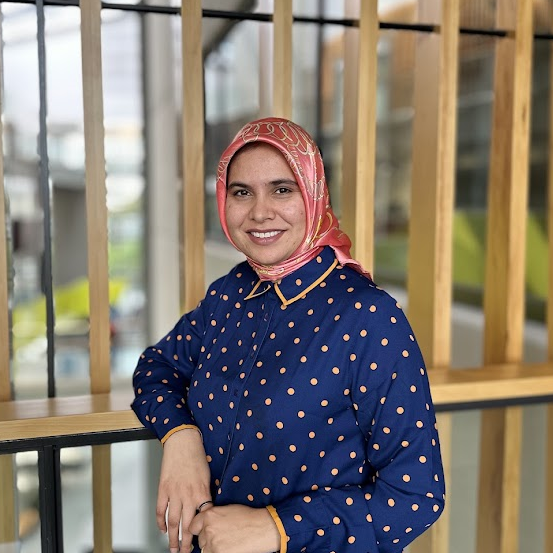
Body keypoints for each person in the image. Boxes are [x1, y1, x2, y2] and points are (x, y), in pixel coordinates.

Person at [132, 117, 445, 553]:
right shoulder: (230, 294)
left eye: (282, 189)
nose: (260, 212)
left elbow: (415, 498)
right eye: (242, 192)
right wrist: (181, 438)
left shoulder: (367, 317)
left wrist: (276, 528)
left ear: (314, 194)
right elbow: (156, 366)